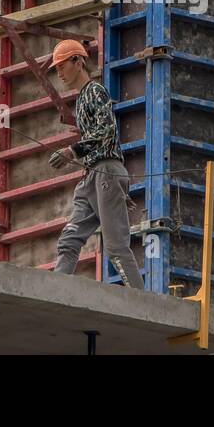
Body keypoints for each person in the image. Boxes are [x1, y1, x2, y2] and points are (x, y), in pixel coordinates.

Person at [48, 39, 144, 288]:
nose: (59, 72)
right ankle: (57, 289)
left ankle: (142, 300)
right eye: (56, 67)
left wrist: (73, 150)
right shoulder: (81, 100)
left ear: (78, 61)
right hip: (92, 176)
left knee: (115, 246)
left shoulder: (95, 91)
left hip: (106, 171)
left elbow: (106, 131)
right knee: (69, 239)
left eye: (62, 65)